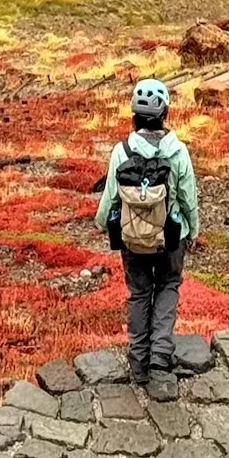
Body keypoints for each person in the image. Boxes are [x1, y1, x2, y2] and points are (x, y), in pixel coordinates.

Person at [95, 78, 199, 401]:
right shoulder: (178, 152)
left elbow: (111, 197)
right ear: (165, 113)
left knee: (139, 294)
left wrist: (101, 224)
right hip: (171, 237)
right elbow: (188, 197)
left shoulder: (120, 152)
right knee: (168, 286)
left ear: (134, 115)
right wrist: (192, 230)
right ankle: (160, 356)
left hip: (132, 240)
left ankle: (138, 365)